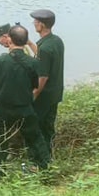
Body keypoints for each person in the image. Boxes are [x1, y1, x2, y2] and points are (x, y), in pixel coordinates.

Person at [0, 26, 49, 172]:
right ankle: (45, 169)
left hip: (2, 109)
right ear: (25, 41)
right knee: (35, 139)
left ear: (9, 39)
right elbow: (34, 85)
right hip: (24, 108)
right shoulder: (33, 63)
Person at [30, 9, 64, 158]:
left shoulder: (44, 48)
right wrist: (29, 43)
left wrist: (34, 95)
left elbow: (42, 77)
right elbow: (43, 55)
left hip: (44, 95)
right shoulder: (56, 41)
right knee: (49, 125)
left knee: (39, 127)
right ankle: (50, 154)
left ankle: (41, 159)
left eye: (36, 22)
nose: (34, 24)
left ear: (42, 25)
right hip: (55, 93)